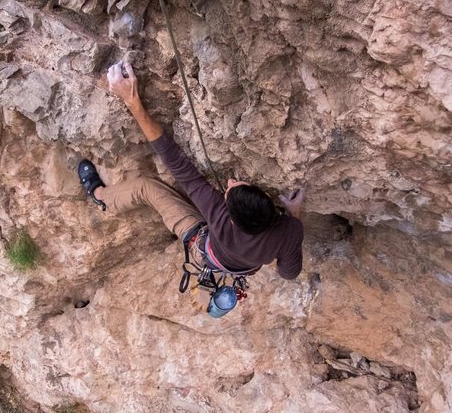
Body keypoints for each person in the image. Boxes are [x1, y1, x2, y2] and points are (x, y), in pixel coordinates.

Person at [78, 62, 304, 281]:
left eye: (229, 190)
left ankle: (101, 197)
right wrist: (292, 218)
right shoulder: (289, 231)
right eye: (238, 184)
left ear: (232, 220)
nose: (231, 181)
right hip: (235, 264)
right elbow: (288, 273)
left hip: (204, 247)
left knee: (145, 187)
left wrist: (132, 101)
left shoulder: (219, 216)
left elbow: (178, 165)